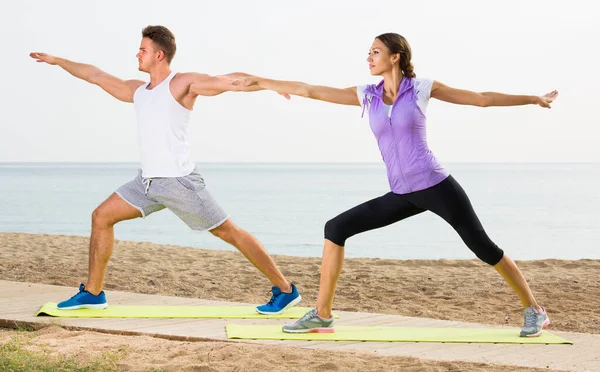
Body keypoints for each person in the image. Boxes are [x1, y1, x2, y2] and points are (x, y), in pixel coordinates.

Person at [232, 33, 557, 337]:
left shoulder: (421, 89)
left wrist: (533, 99)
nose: (369, 58)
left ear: (395, 57)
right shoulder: (368, 95)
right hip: (402, 193)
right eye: (368, 53)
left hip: (434, 184)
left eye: (375, 52)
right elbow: (309, 89)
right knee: (336, 228)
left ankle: (535, 309)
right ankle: (322, 314)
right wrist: (262, 82)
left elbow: (482, 99)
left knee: (483, 247)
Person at [29, 25, 301, 315]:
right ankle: (93, 294)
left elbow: (230, 81)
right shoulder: (138, 91)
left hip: (179, 182)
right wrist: (58, 61)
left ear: (159, 55)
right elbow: (95, 75)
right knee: (101, 217)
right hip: (146, 183)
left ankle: (285, 290)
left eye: (142, 50)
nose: (137, 54)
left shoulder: (182, 83)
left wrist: (272, 84)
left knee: (228, 232)